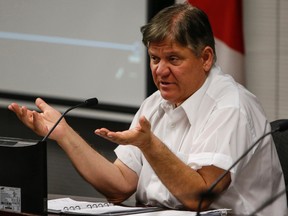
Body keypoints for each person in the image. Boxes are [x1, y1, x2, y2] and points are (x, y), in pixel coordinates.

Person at [8, 3, 287, 215]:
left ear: (205, 58)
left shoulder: (231, 106)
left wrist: (150, 146)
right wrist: (63, 133)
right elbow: (119, 186)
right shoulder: (155, 103)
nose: (160, 70)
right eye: (154, 58)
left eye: (173, 59)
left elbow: (199, 197)